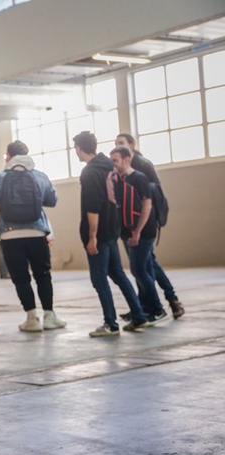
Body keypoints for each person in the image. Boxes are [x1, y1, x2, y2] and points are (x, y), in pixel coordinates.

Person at [73, 131, 148, 337]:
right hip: (113, 229)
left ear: (79, 149)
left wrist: (92, 236)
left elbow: (93, 206)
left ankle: (111, 323)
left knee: (99, 278)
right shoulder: (108, 164)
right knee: (118, 274)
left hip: (100, 233)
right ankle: (139, 316)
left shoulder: (89, 172)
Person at [0, 140, 65, 332]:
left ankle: (31, 319)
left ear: (8, 156)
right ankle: (50, 316)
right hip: (37, 233)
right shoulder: (39, 175)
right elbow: (52, 200)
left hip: (9, 236)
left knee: (21, 278)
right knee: (43, 275)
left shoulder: (1, 177)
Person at [115, 133, 185, 319]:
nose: (118, 146)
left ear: (131, 145)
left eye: (121, 143)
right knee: (144, 267)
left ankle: (169, 301)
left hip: (144, 224)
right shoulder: (121, 169)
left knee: (146, 266)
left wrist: (144, 226)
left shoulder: (142, 166)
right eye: (116, 144)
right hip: (132, 225)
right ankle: (144, 306)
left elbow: (152, 196)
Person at [109, 146, 168, 329]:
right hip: (128, 232)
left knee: (139, 271)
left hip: (142, 233)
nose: (113, 164)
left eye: (115, 160)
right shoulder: (120, 181)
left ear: (127, 160)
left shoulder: (139, 179)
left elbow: (147, 207)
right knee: (144, 271)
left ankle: (157, 309)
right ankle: (147, 308)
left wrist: (137, 232)